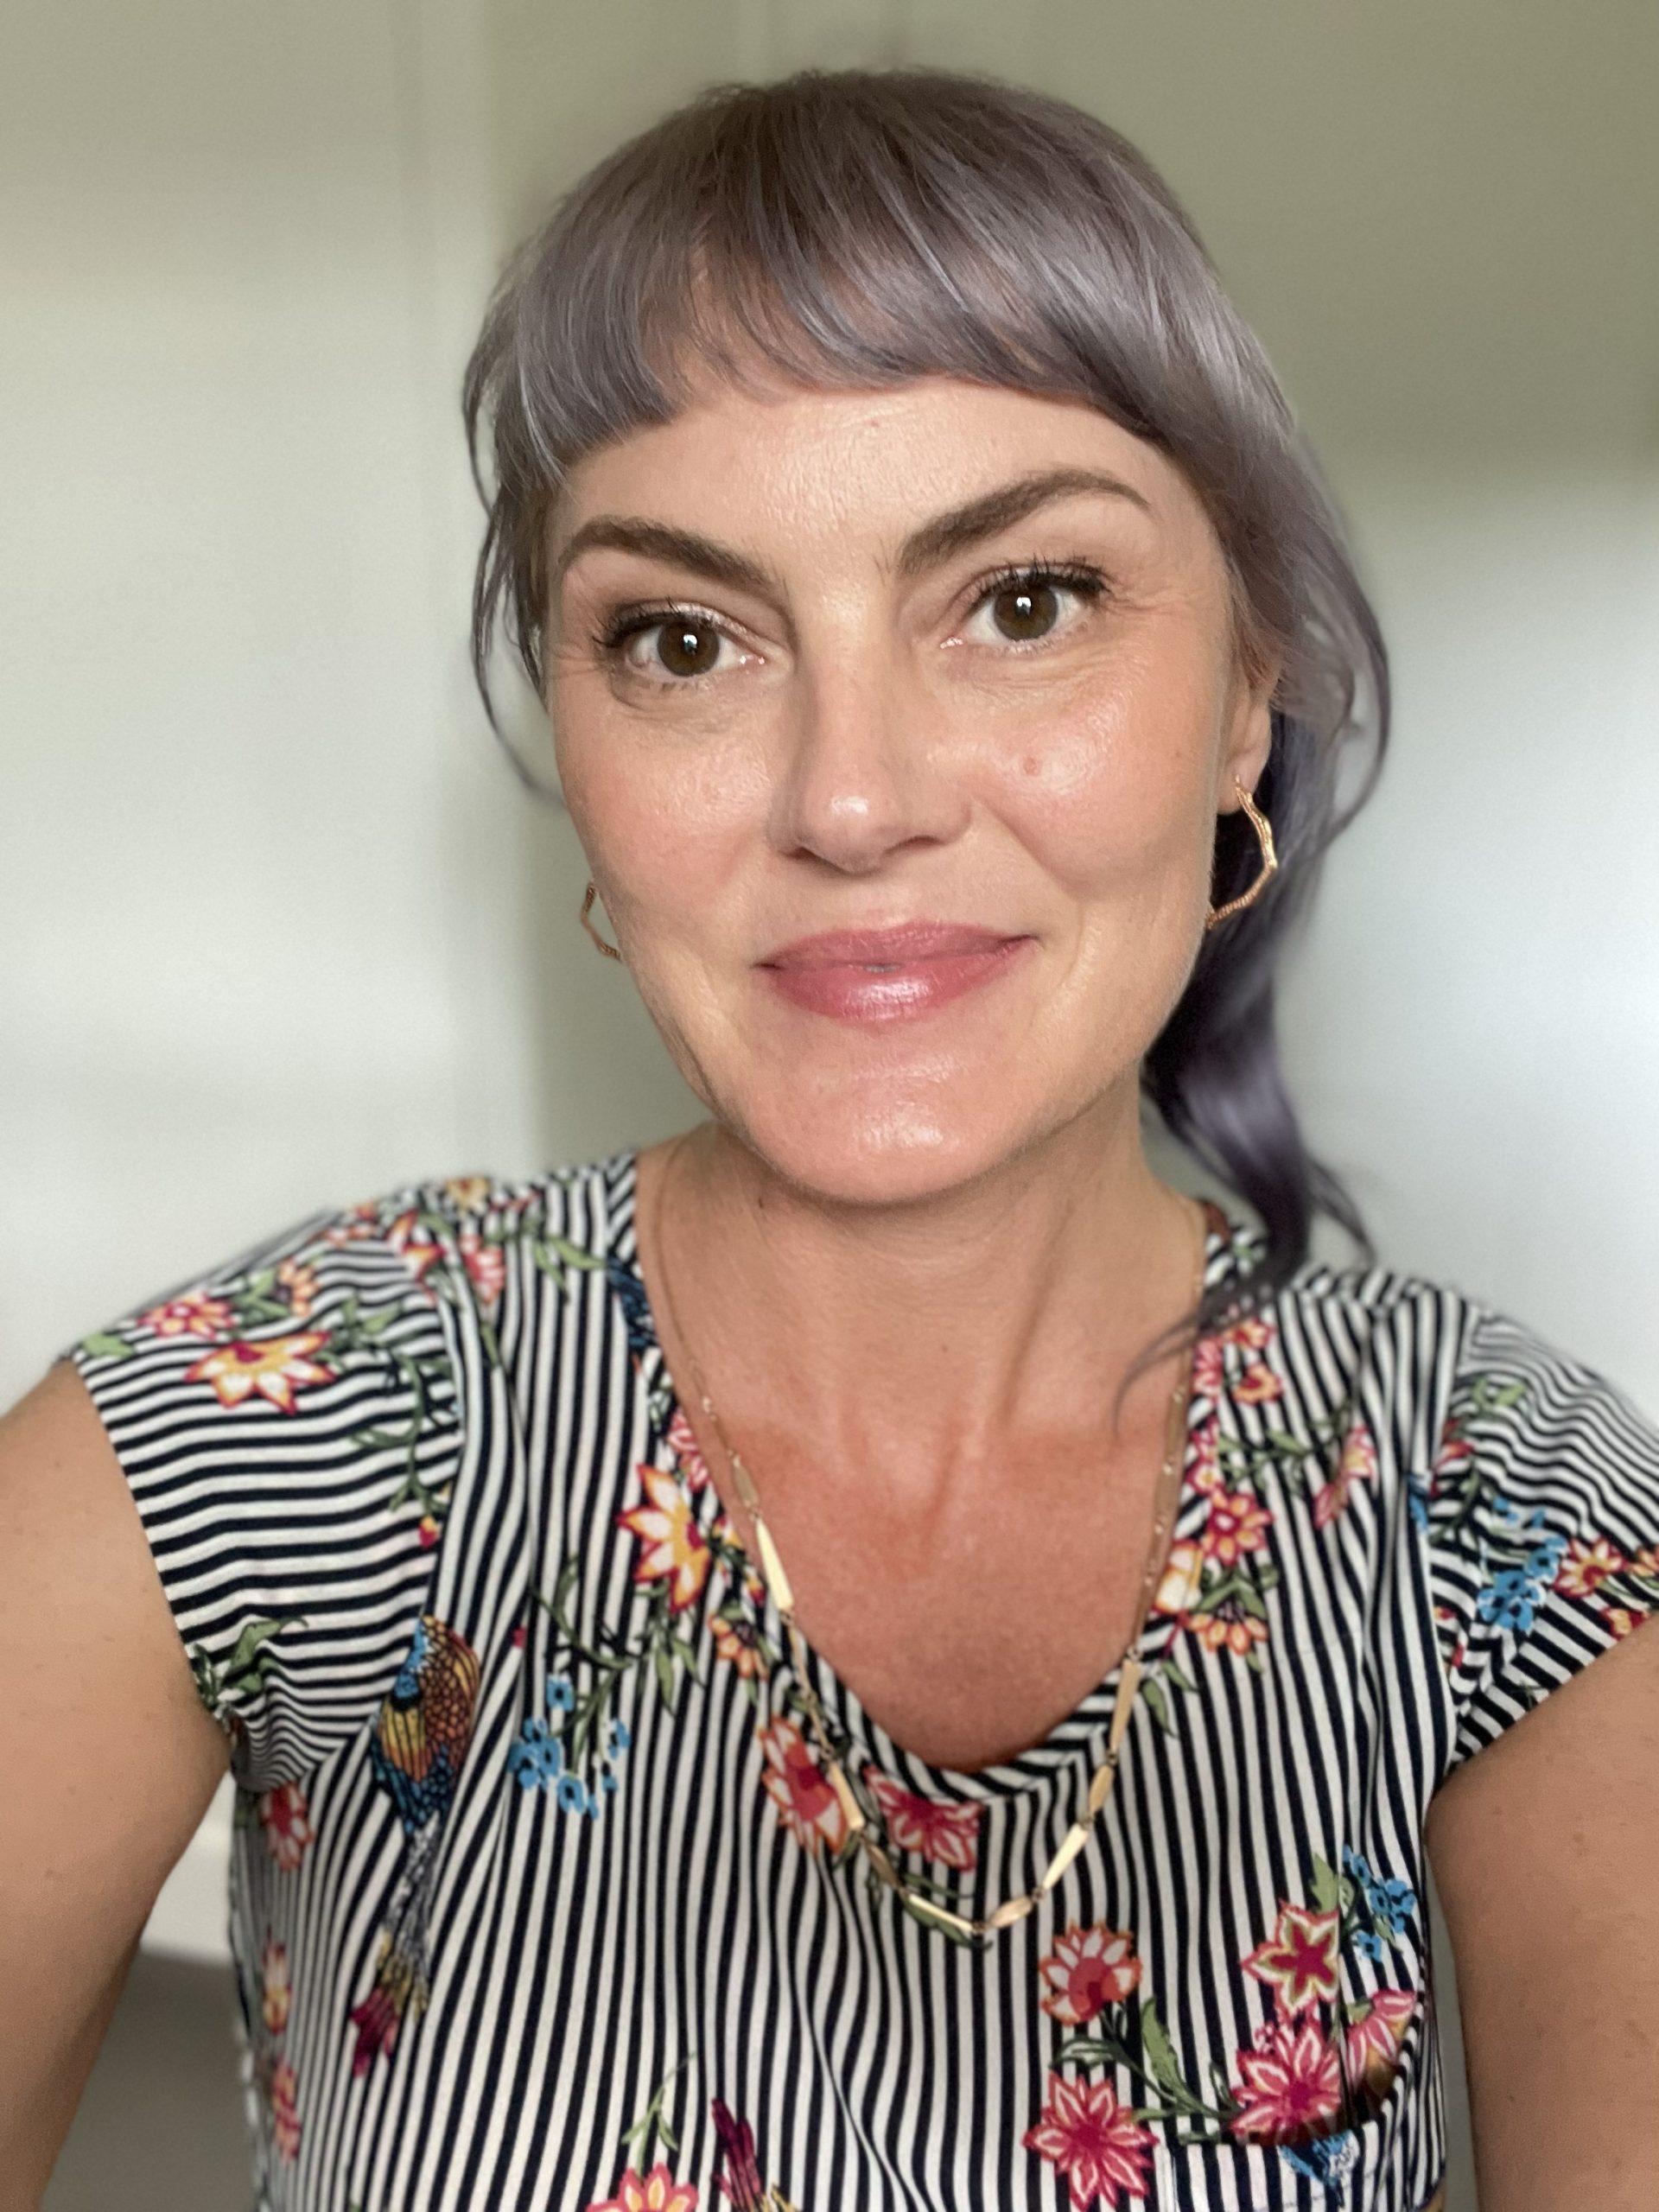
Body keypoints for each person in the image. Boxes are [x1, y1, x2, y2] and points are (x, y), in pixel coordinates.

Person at [3, 67, 1656, 2212]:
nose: (852, 796)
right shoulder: (280, 1430)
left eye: (1026, 599)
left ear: (1247, 692)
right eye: (683, 639)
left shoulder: (1506, 1519)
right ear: (582, 761)